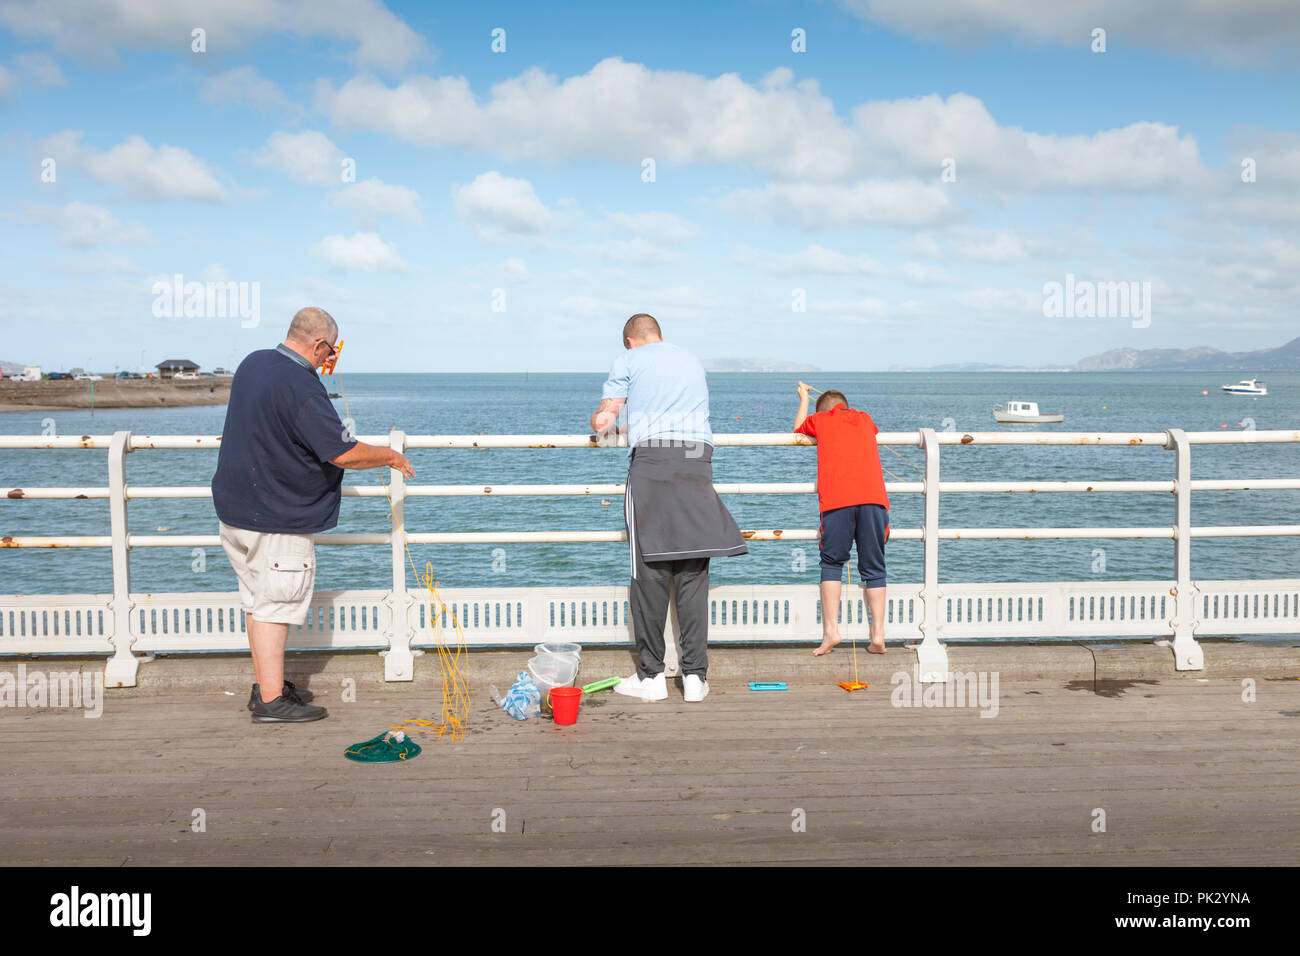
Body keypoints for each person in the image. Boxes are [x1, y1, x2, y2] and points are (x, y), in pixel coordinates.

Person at [212, 307, 415, 723]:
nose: (329, 361)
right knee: (275, 606)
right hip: (276, 517)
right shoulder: (301, 385)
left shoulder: (254, 362)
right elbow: (342, 452)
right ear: (320, 344)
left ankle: (265, 688)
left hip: (236, 511)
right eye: (330, 352)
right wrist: (390, 455)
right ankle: (271, 703)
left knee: (256, 602)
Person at [590, 314, 747, 703]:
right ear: (658, 335)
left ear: (630, 340)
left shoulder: (628, 360)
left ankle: (651, 677)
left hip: (653, 462)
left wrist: (602, 421)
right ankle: (695, 677)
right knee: (693, 569)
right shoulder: (690, 359)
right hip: (697, 459)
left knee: (648, 571)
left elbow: (606, 422)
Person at [793, 382, 889, 657]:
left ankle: (832, 632)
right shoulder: (865, 418)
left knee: (832, 563)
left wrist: (804, 398)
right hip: (874, 501)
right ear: (846, 405)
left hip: (838, 502)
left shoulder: (821, 420)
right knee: (874, 567)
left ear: (821, 411)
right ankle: (879, 635)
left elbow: (799, 427)